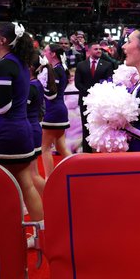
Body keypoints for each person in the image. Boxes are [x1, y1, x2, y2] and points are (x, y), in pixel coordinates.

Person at [0, 21, 43, 220]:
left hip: (5, 134)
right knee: (27, 185)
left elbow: (3, 106)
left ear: (2, 40)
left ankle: (3, 235)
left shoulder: (5, 65)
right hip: (22, 132)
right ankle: (41, 235)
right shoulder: (19, 62)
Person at [74, 42, 114, 152]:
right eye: (96, 49)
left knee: (101, 127)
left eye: (100, 49)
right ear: (90, 51)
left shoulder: (107, 65)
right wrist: (89, 93)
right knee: (86, 126)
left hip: (100, 102)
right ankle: (86, 152)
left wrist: (97, 94)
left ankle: (100, 151)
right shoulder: (81, 65)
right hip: (85, 101)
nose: (99, 51)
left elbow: (108, 82)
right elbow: (78, 83)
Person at [41, 43, 72, 177]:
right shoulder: (60, 69)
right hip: (60, 110)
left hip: (53, 111)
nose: (44, 53)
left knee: (45, 148)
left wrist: (39, 86)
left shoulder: (55, 70)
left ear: (53, 54)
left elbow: (52, 94)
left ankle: (49, 178)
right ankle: (76, 169)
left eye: (46, 51)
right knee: (60, 147)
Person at [27, 50, 48, 195]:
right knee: (31, 173)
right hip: (33, 126)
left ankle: (52, 197)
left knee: (32, 174)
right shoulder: (37, 83)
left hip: (30, 128)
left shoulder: (32, 86)